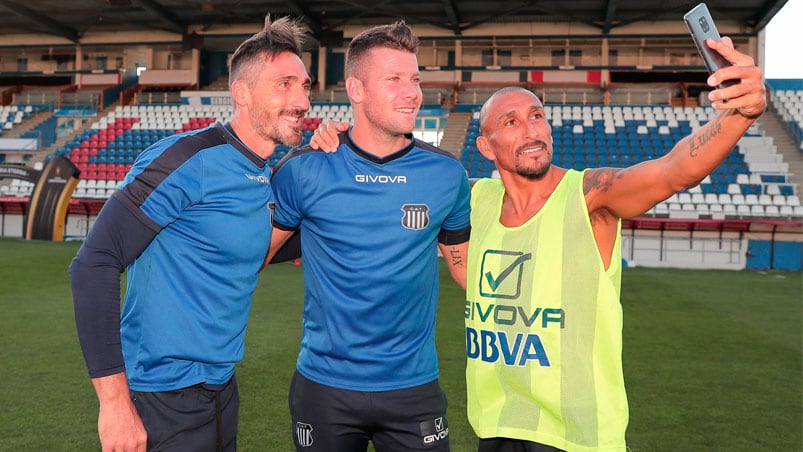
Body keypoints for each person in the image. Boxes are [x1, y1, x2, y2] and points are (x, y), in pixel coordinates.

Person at [465, 37, 765, 451]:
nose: (531, 130)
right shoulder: (474, 199)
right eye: (511, 122)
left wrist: (739, 113)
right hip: (497, 427)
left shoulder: (590, 196)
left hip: (578, 437)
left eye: (537, 116)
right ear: (485, 146)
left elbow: (672, 172)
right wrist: (341, 142)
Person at [69, 15, 310, 451]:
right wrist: (115, 405)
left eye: (305, 86)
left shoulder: (264, 176)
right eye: (284, 84)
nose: (302, 100)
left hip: (221, 392)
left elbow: (248, 246)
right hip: (159, 398)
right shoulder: (189, 160)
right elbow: (94, 263)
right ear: (242, 93)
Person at [266, 21, 471, 452]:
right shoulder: (305, 169)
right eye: (393, 79)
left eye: (414, 79)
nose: (412, 91)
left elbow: (465, 269)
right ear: (356, 89)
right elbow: (255, 254)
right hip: (325, 388)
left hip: (414, 387)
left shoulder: (447, 175)